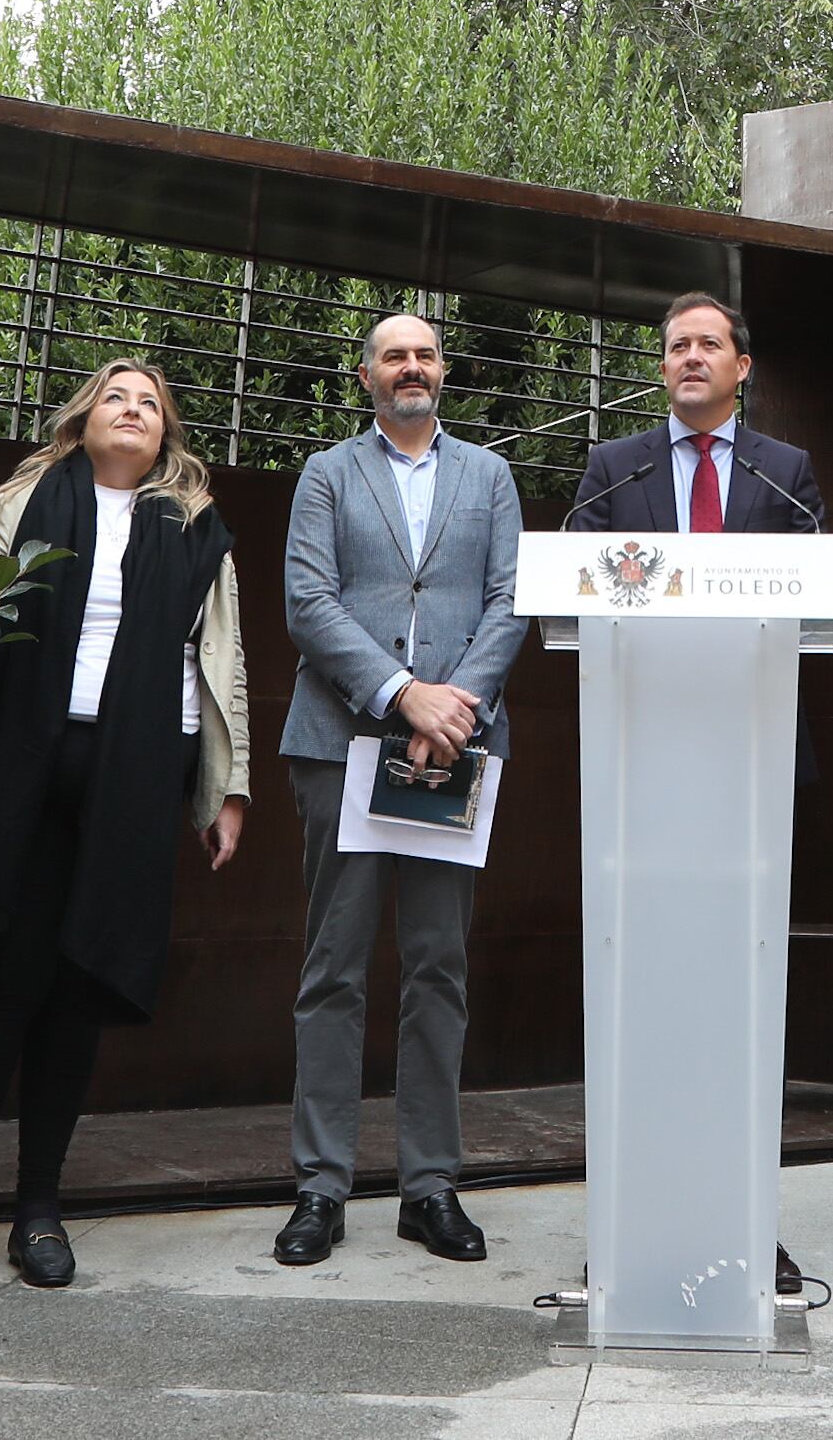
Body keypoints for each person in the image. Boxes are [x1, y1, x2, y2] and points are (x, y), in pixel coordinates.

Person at [0, 359, 250, 1304]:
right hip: (18, 773)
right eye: (116, 398)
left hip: (134, 779)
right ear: (82, 418)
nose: (132, 411)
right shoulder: (19, 506)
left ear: (166, 432)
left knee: (77, 990)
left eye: (150, 404)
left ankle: (39, 1210)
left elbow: (220, 668)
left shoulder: (196, 528)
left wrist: (226, 788)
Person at [274, 311, 525, 1267]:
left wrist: (450, 709)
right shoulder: (326, 474)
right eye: (392, 355)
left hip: (455, 749)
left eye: (423, 354)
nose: (409, 367)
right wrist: (399, 695)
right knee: (333, 967)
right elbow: (309, 602)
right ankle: (320, 1187)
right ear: (366, 376)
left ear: (442, 372)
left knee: (437, 967)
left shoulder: (490, 474)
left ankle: (430, 1188)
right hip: (343, 742)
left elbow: (511, 600)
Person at [563, 291, 823, 532]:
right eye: (679, 346)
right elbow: (577, 568)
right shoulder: (614, 469)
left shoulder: (784, 470)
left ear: (742, 368)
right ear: (664, 372)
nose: (692, 357)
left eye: (709, 344)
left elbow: (816, 569)